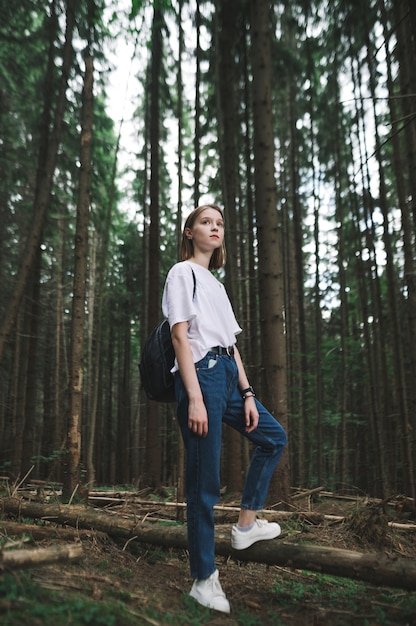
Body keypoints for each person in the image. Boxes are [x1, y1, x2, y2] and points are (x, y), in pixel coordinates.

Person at [162, 204, 287, 614]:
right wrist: (195, 396)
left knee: (273, 437)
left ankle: (246, 525)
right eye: (205, 222)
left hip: (228, 378)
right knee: (204, 481)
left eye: (219, 223)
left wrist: (248, 393)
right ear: (188, 232)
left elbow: (231, 345)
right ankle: (203, 579)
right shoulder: (182, 273)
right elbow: (181, 336)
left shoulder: (215, 283)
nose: (214, 228)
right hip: (200, 375)